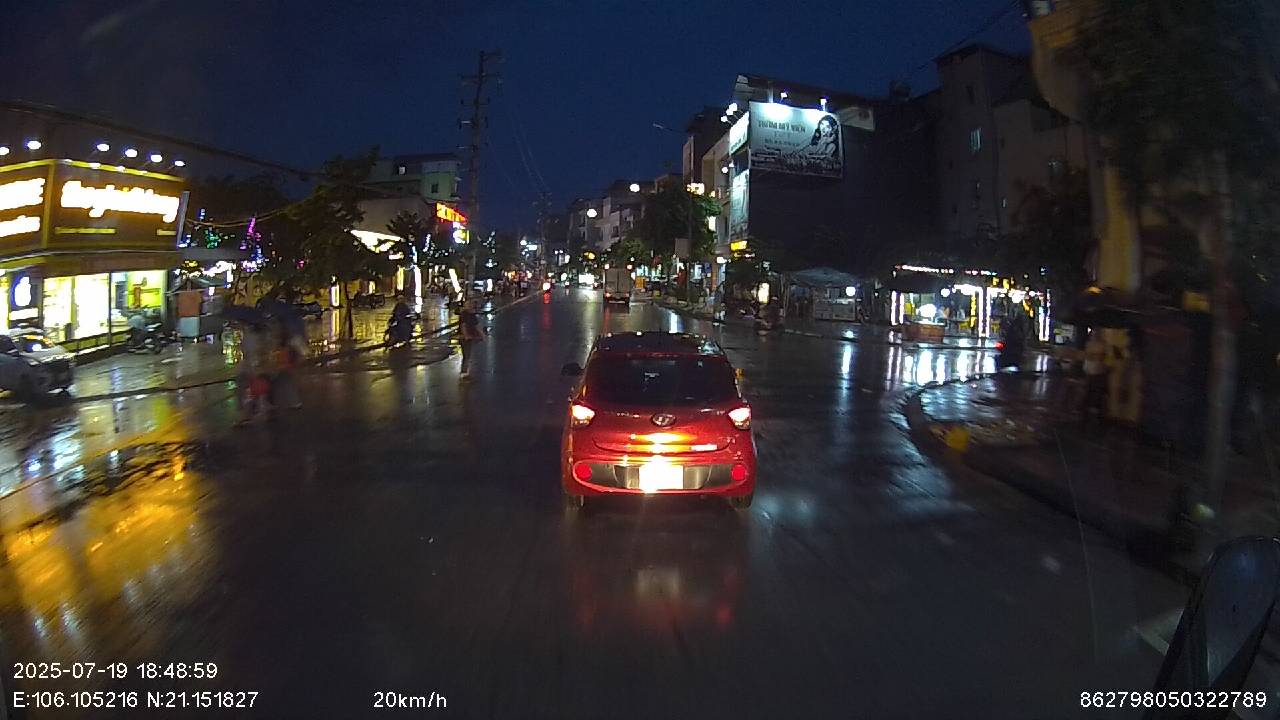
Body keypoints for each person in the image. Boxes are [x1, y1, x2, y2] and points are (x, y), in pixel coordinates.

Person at [457, 299, 485, 378]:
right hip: (465, 337)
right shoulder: (464, 315)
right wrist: (466, 335)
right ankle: (464, 371)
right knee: (467, 354)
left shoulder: (472, 315)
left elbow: (477, 326)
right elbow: (463, 325)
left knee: (467, 354)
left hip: (470, 336)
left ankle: (466, 370)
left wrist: (481, 334)